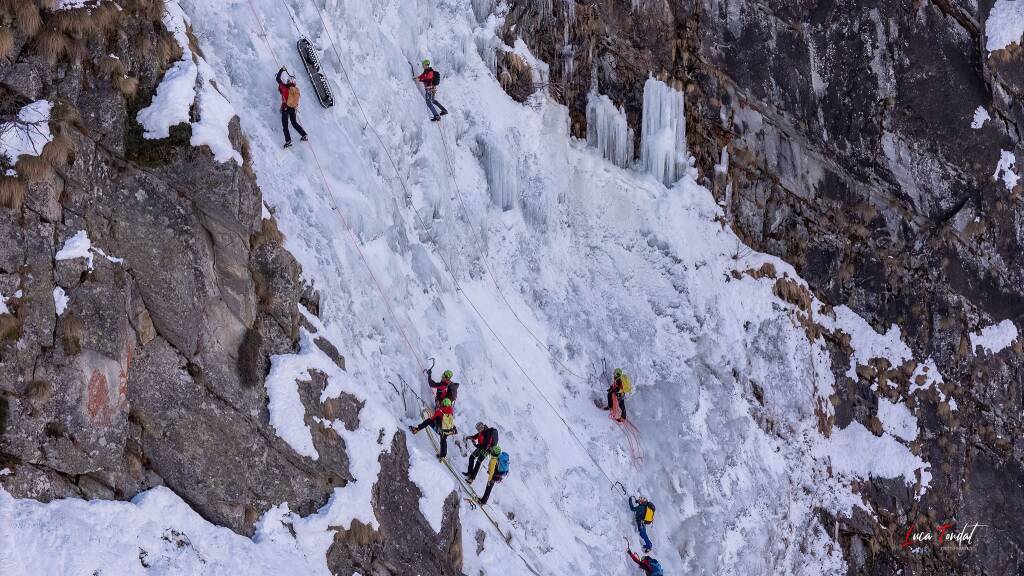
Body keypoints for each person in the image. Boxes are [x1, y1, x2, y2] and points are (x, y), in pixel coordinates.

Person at [409, 397, 457, 462]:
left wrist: (436, 415)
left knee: (428, 421)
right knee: (443, 440)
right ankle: (443, 456)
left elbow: (432, 419)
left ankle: (416, 429)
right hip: (449, 430)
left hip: (442, 430)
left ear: (444, 403)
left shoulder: (440, 410)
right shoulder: (451, 410)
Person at [276, 67, 308, 148]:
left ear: (288, 81)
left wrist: (281, 70)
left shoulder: (284, 87)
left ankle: (288, 141)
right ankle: (304, 135)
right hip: (293, 109)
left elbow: (278, 79)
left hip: (285, 109)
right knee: (294, 123)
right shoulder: (296, 90)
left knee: (285, 126)